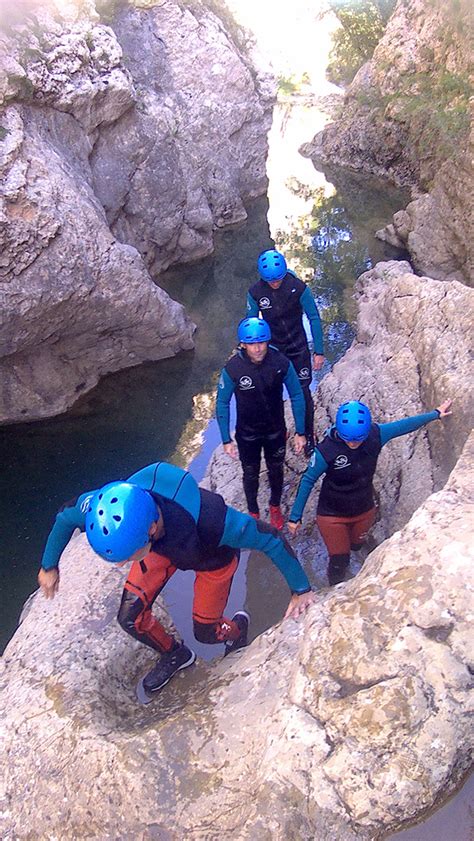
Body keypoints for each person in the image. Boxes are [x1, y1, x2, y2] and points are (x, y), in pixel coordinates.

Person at [38, 461, 314, 699]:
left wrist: (300, 588)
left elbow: (269, 539)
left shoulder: (211, 520)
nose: (121, 564)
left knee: (205, 633)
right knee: (129, 618)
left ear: (152, 527)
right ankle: (175, 654)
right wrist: (49, 565)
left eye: (127, 555)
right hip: (159, 549)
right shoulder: (106, 504)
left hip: (211, 558)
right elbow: (65, 516)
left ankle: (237, 629)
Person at [287, 399, 453, 585]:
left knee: (357, 547)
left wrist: (435, 414)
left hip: (364, 508)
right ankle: (334, 592)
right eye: (348, 440)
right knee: (340, 560)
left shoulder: (376, 435)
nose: (352, 444)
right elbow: (308, 480)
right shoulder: (326, 450)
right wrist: (295, 517)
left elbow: (403, 426)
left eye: (357, 440)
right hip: (332, 514)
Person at [216, 317, 306, 530]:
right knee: (250, 472)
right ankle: (253, 511)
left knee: (276, 469)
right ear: (243, 344)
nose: (257, 349)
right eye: (251, 344)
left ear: (268, 341)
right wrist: (226, 439)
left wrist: (300, 432)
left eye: (261, 343)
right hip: (247, 433)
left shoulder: (280, 362)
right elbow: (222, 402)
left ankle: (275, 506)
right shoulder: (233, 368)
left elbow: (296, 394)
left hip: (275, 429)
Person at [247, 248, 325, 457]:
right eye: (271, 281)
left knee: (303, 393)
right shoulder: (256, 293)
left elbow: (314, 318)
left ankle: (308, 435)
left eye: (278, 280)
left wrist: (318, 351)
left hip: (298, 348)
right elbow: (252, 324)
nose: (275, 284)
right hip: (273, 351)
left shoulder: (297, 288)